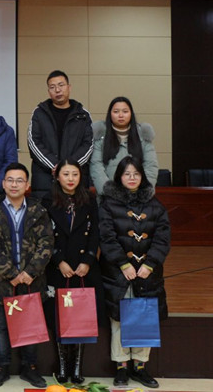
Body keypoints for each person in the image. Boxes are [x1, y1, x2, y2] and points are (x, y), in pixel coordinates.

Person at [99, 156, 170, 389]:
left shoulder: (155, 205)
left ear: (142, 177)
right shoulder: (108, 205)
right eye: (127, 174)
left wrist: (149, 265)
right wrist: (123, 264)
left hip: (148, 274)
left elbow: (162, 239)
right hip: (117, 273)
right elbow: (106, 238)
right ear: (119, 177)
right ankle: (121, 367)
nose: (132, 178)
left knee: (144, 317)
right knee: (119, 319)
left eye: (136, 174)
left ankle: (140, 367)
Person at [0, 162, 53, 389]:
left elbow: (47, 243)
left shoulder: (38, 211)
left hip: (32, 280)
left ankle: (29, 367)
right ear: (3, 184)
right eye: (10, 180)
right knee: (1, 326)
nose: (14, 184)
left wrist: (30, 272)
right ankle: (2, 367)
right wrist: (11, 273)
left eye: (19, 180)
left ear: (27, 185)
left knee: (31, 325)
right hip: (2, 281)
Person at [41, 159, 105, 385]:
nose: (70, 179)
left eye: (75, 174)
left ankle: (77, 366)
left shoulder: (89, 200)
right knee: (59, 315)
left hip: (83, 268)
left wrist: (88, 260)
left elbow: (95, 232)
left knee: (80, 315)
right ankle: (61, 365)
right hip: (58, 267)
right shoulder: (47, 201)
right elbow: (45, 234)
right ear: (57, 176)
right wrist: (58, 260)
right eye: (66, 174)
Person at [28, 70, 93, 200]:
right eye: (52, 87)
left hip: (75, 180)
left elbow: (88, 145)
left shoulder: (82, 114)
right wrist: (55, 166)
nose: (57, 90)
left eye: (61, 85)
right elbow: (33, 143)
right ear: (48, 91)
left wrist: (69, 168)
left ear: (69, 87)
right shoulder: (39, 113)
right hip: (45, 180)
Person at [90, 96, 159, 196]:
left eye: (125, 111)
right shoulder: (100, 137)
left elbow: (151, 166)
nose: (121, 115)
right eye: (116, 111)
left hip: (137, 197)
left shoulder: (143, 136)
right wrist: (110, 191)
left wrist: (143, 191)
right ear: (110, 114)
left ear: (131, 114)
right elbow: (96, 166)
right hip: (108, 198)